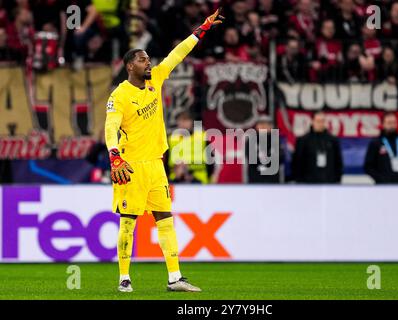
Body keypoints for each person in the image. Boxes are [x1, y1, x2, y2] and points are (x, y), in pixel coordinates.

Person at [104, 9, 224, 293]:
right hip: (130, 165)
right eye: (142, 59)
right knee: (129, 222)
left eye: (148, 58)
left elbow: (177, 53)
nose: (149, 62)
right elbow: (110, 128)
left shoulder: (155, 78)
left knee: (165, 219)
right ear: (129, 66)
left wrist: (202, 29)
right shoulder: (119, 95)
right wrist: (114, 156)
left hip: (156, 164)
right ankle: (124, 278)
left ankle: (174, 278)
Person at [364, 112, 398, 184]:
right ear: (383, 124)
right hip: (383, 187)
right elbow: (368, 166)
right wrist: (380, 179)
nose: (392, 125)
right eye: (389, 123)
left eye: (394, 122)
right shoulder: (376, 143)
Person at [291, 111, 343, 184]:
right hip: (308, 183)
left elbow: (338, 162)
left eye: (323, 121)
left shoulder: (333, 141)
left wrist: (336, 180)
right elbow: (297, 163)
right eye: (318, 121)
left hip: (329, 182)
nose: (320, 124)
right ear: (312, 121)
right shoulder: (303, 141)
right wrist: (299, 182)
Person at [243, 114, 284, 183]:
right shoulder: (251, 140)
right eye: (261, 124)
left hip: (273, 180)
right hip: (255, 179)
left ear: (271, 127)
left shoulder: (276, 140)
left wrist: (266, 160)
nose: (263, 126)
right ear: (256, 126)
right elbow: (251, 158)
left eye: (266, 124)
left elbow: (280, 158)